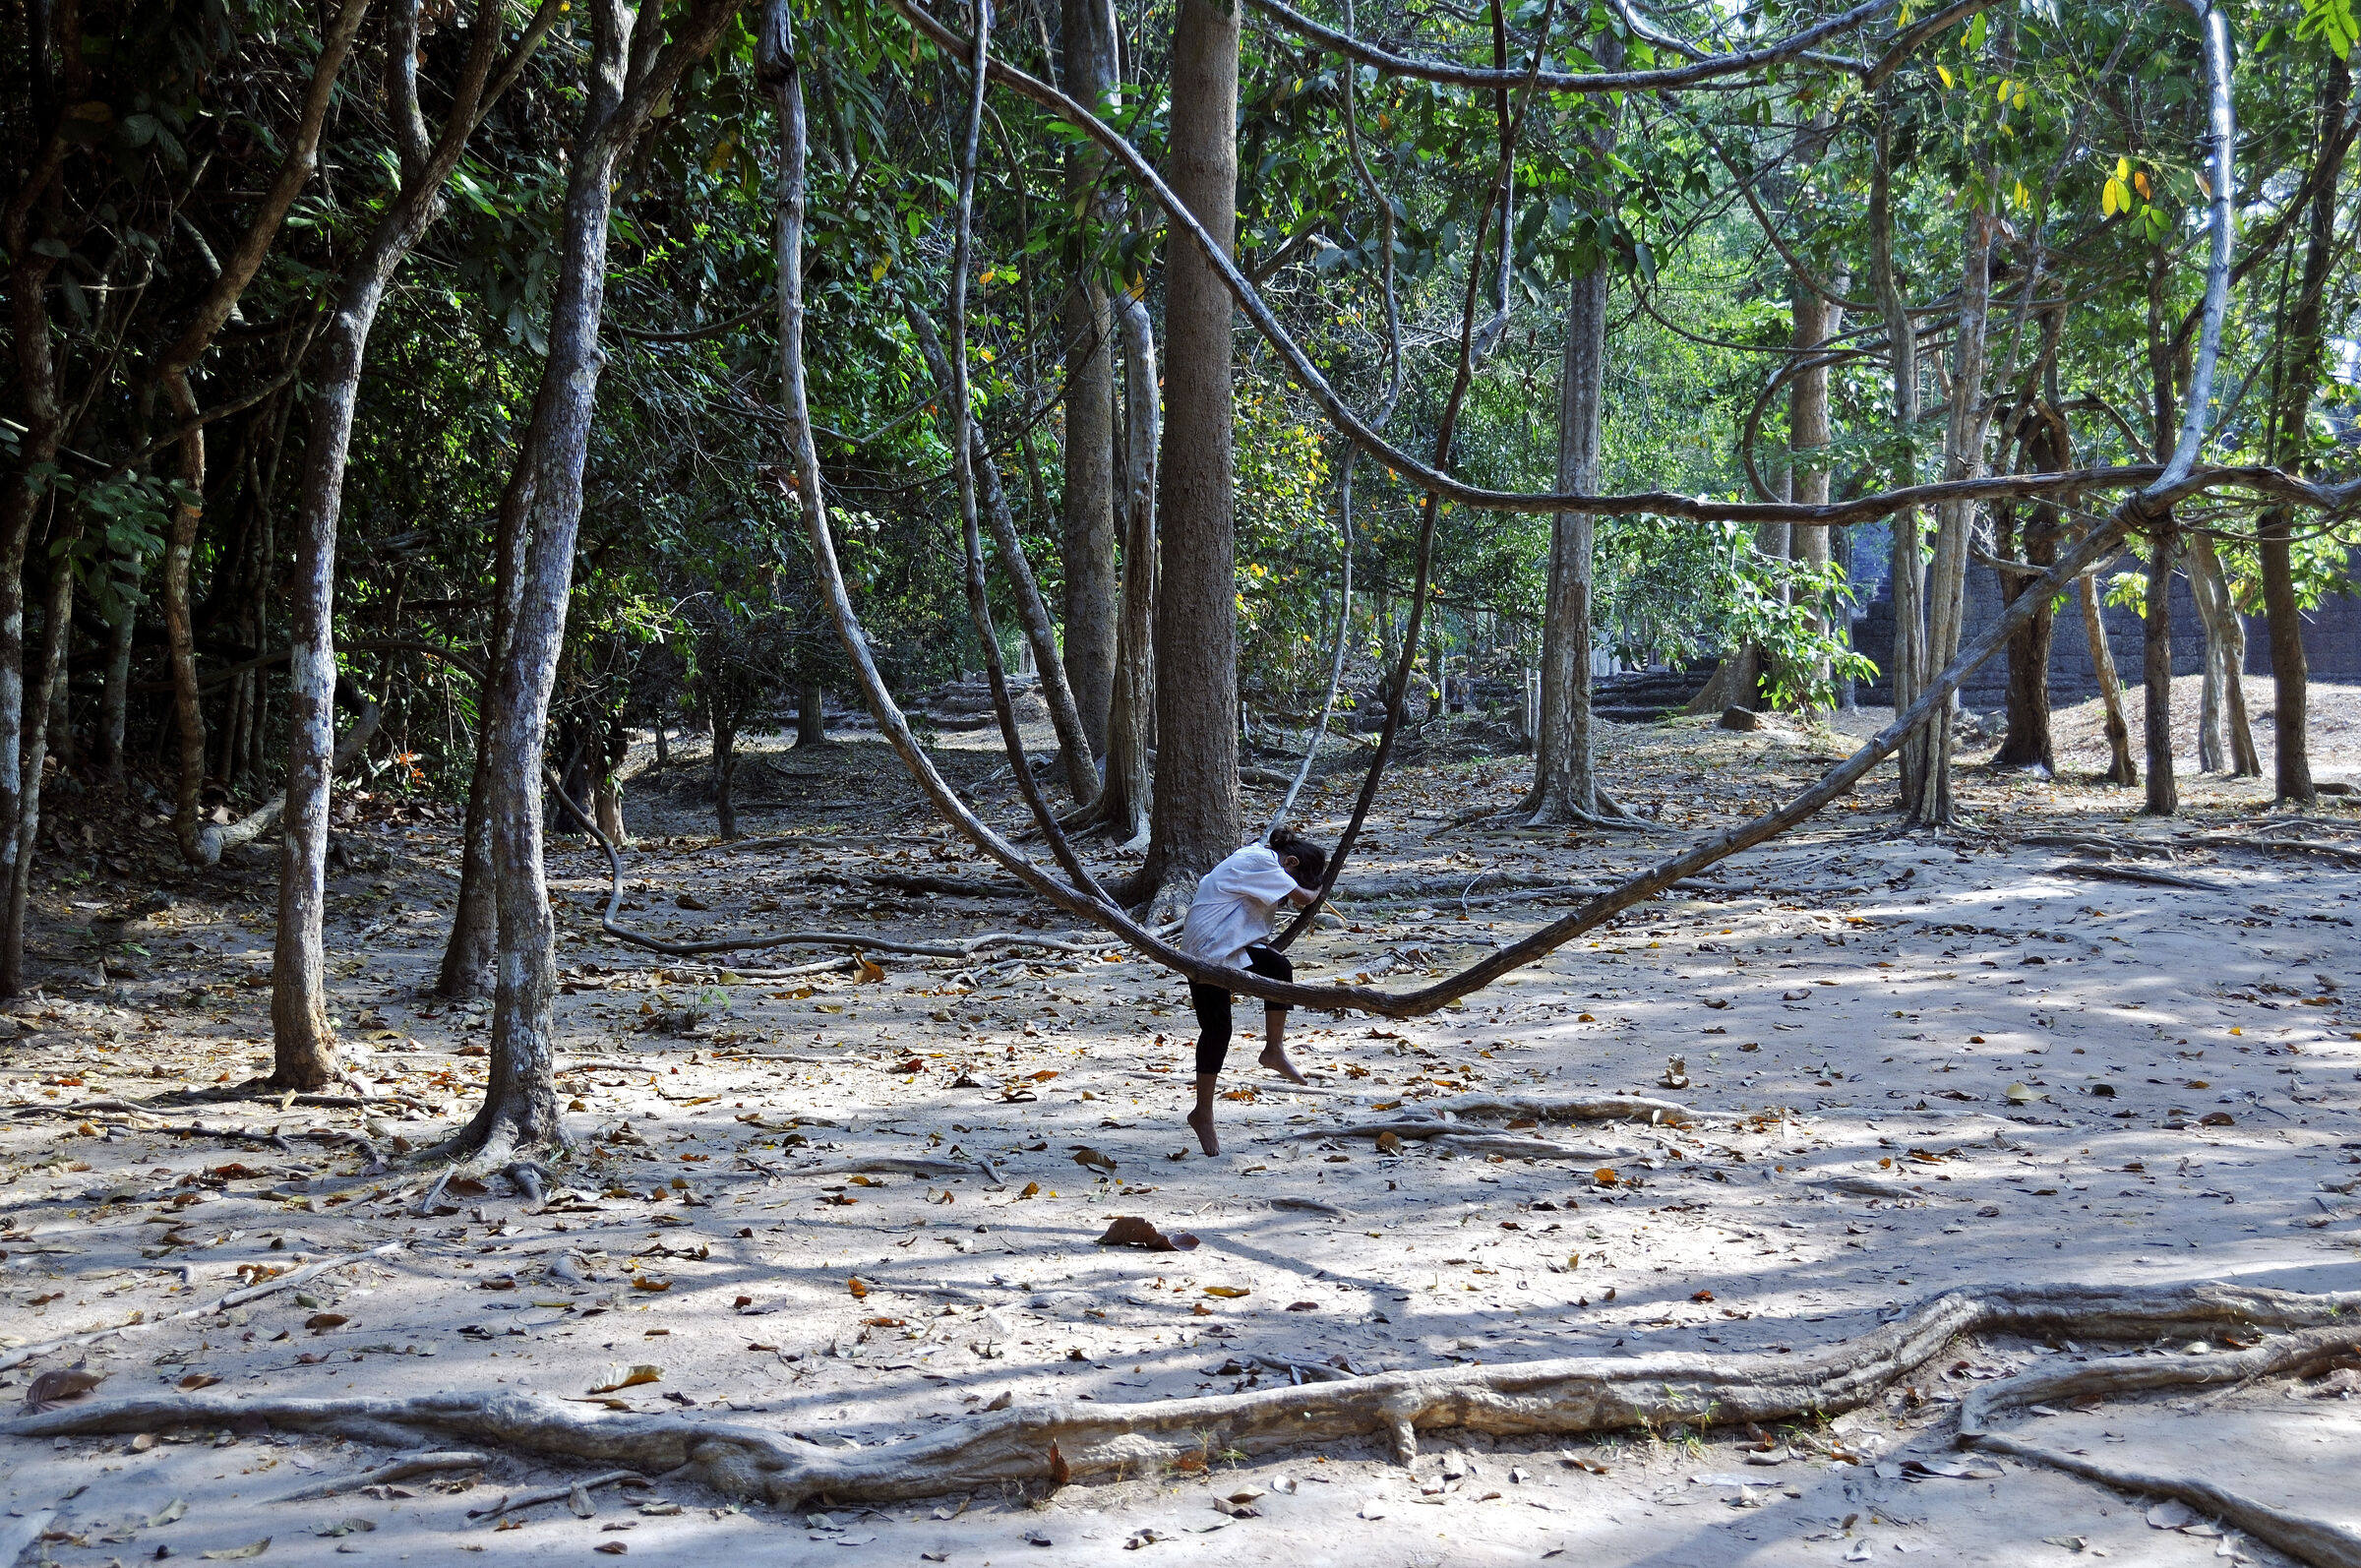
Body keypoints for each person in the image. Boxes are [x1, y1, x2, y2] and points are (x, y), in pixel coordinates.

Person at [1176, 829, 1329, 1155]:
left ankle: (1208, 1107)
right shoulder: (1260, 861)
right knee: (1220, 1025)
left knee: (1222, 1022)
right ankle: (1208, 1108)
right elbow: (1303, 897)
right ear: (1290, 861)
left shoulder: (1257, 858)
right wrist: (1317, 891)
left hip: (1218, 945)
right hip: (1211, 949)